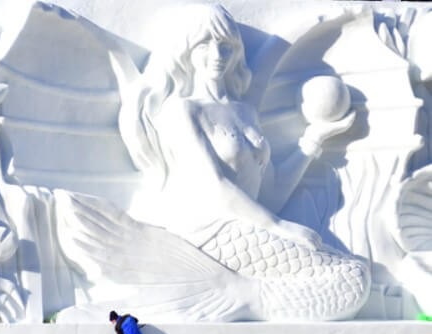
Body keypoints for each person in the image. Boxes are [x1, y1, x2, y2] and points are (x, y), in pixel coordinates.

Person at [116, 3, 354, 247]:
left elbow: (270, 196)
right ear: (185, 51)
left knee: (345, 265)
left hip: (248, 231)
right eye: (204, 45)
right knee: (340, 267)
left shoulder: (245, 112)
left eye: (225, 46)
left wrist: (314, 139)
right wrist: (277, 226)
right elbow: (214, 186)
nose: (217, 55)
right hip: (206, 236)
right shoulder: (182, 111)